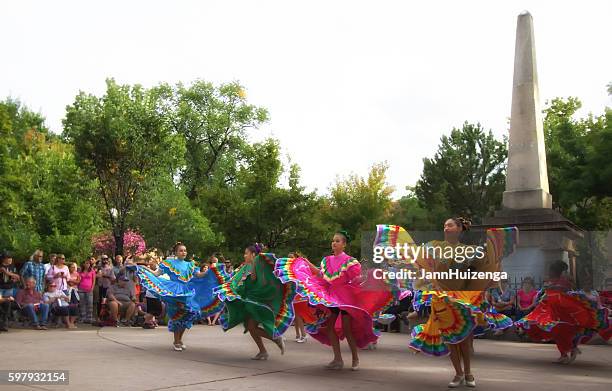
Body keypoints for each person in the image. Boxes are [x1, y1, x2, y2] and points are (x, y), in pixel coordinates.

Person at [375, 220, 518, 388]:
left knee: (463, 339)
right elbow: (418, 259)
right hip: (441, 298)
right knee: (451, 338)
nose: (446, 227)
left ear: (459, 229)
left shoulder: (469, 250)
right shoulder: (433, 246)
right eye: (444, 225)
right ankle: (458, 373)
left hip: (463, 297)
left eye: (450, 225)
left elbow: (482, 269)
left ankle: (468, 372)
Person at [275, 232, 394, 370]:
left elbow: (356, 279)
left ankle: (355, 358)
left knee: (347, 329)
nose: (334, 243)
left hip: (345, 298)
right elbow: (320, 274)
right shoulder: (327, 260)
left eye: (337, 241)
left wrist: (371, 277)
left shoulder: (350, 261)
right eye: (333, 241)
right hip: (331, 298)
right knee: (330, 327)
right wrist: (306, 262)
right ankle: (338, 359)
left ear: (344, 244)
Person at [133, 242, 229, 351]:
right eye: (181, 250)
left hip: (188, 291)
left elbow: (199, 275)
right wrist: (145, 269)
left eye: (185, 250)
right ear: (176, 252)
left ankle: (179, 339)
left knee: (188, 314)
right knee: (177, 315)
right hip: (174, 291)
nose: (183, 252)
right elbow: (156, 274)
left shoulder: (190, 264)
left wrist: (212, 271)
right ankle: (176, 340)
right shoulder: (169, 263)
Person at [516, 260, 611, 364]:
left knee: (561, 331)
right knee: (557, 332)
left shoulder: (562, 282)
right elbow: (545, 296)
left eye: (551, 271)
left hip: (564, 315)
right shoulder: (553, 283)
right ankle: (567, 352)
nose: (549, 273)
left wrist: (550, 290)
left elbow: (563, 294)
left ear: (555, 271)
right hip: (556, 314)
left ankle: (567, 351)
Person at [214, 244, 295, 360]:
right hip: (250, 302)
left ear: (253, 254)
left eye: (246, 253)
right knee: (251, 327)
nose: (244, 255)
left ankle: (275, 338)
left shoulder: (257, 263)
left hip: (256, 303)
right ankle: (264, 350)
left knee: (252, 327)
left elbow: (253, 279)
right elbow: (236, 280)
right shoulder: (246, 266)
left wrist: (248, 272)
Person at [78, 257, 97, 323]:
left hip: (89, 289)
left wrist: (92, 288)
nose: (87, 264)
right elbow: (78, 280)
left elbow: (94, 280)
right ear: (83, 264)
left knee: (90, 303)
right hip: (81, 289)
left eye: (88, 263)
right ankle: (83, 317)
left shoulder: (92, 271)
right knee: (82, 303)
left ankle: (89, 318)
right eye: (86, 263)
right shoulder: (80, 271)